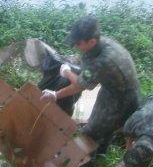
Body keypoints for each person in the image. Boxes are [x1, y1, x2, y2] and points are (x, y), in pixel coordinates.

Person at [41, 15, 141, 156]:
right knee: (104, 126)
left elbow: (80, 86)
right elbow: (87, 66)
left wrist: (56, 93)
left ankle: (81, 164)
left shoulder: (103, 60)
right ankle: (99, 152)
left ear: (92, 41)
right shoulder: (101, 43)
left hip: (121, 98)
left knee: (91, 131)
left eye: (78, 43)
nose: (75, 46)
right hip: (111, 88)